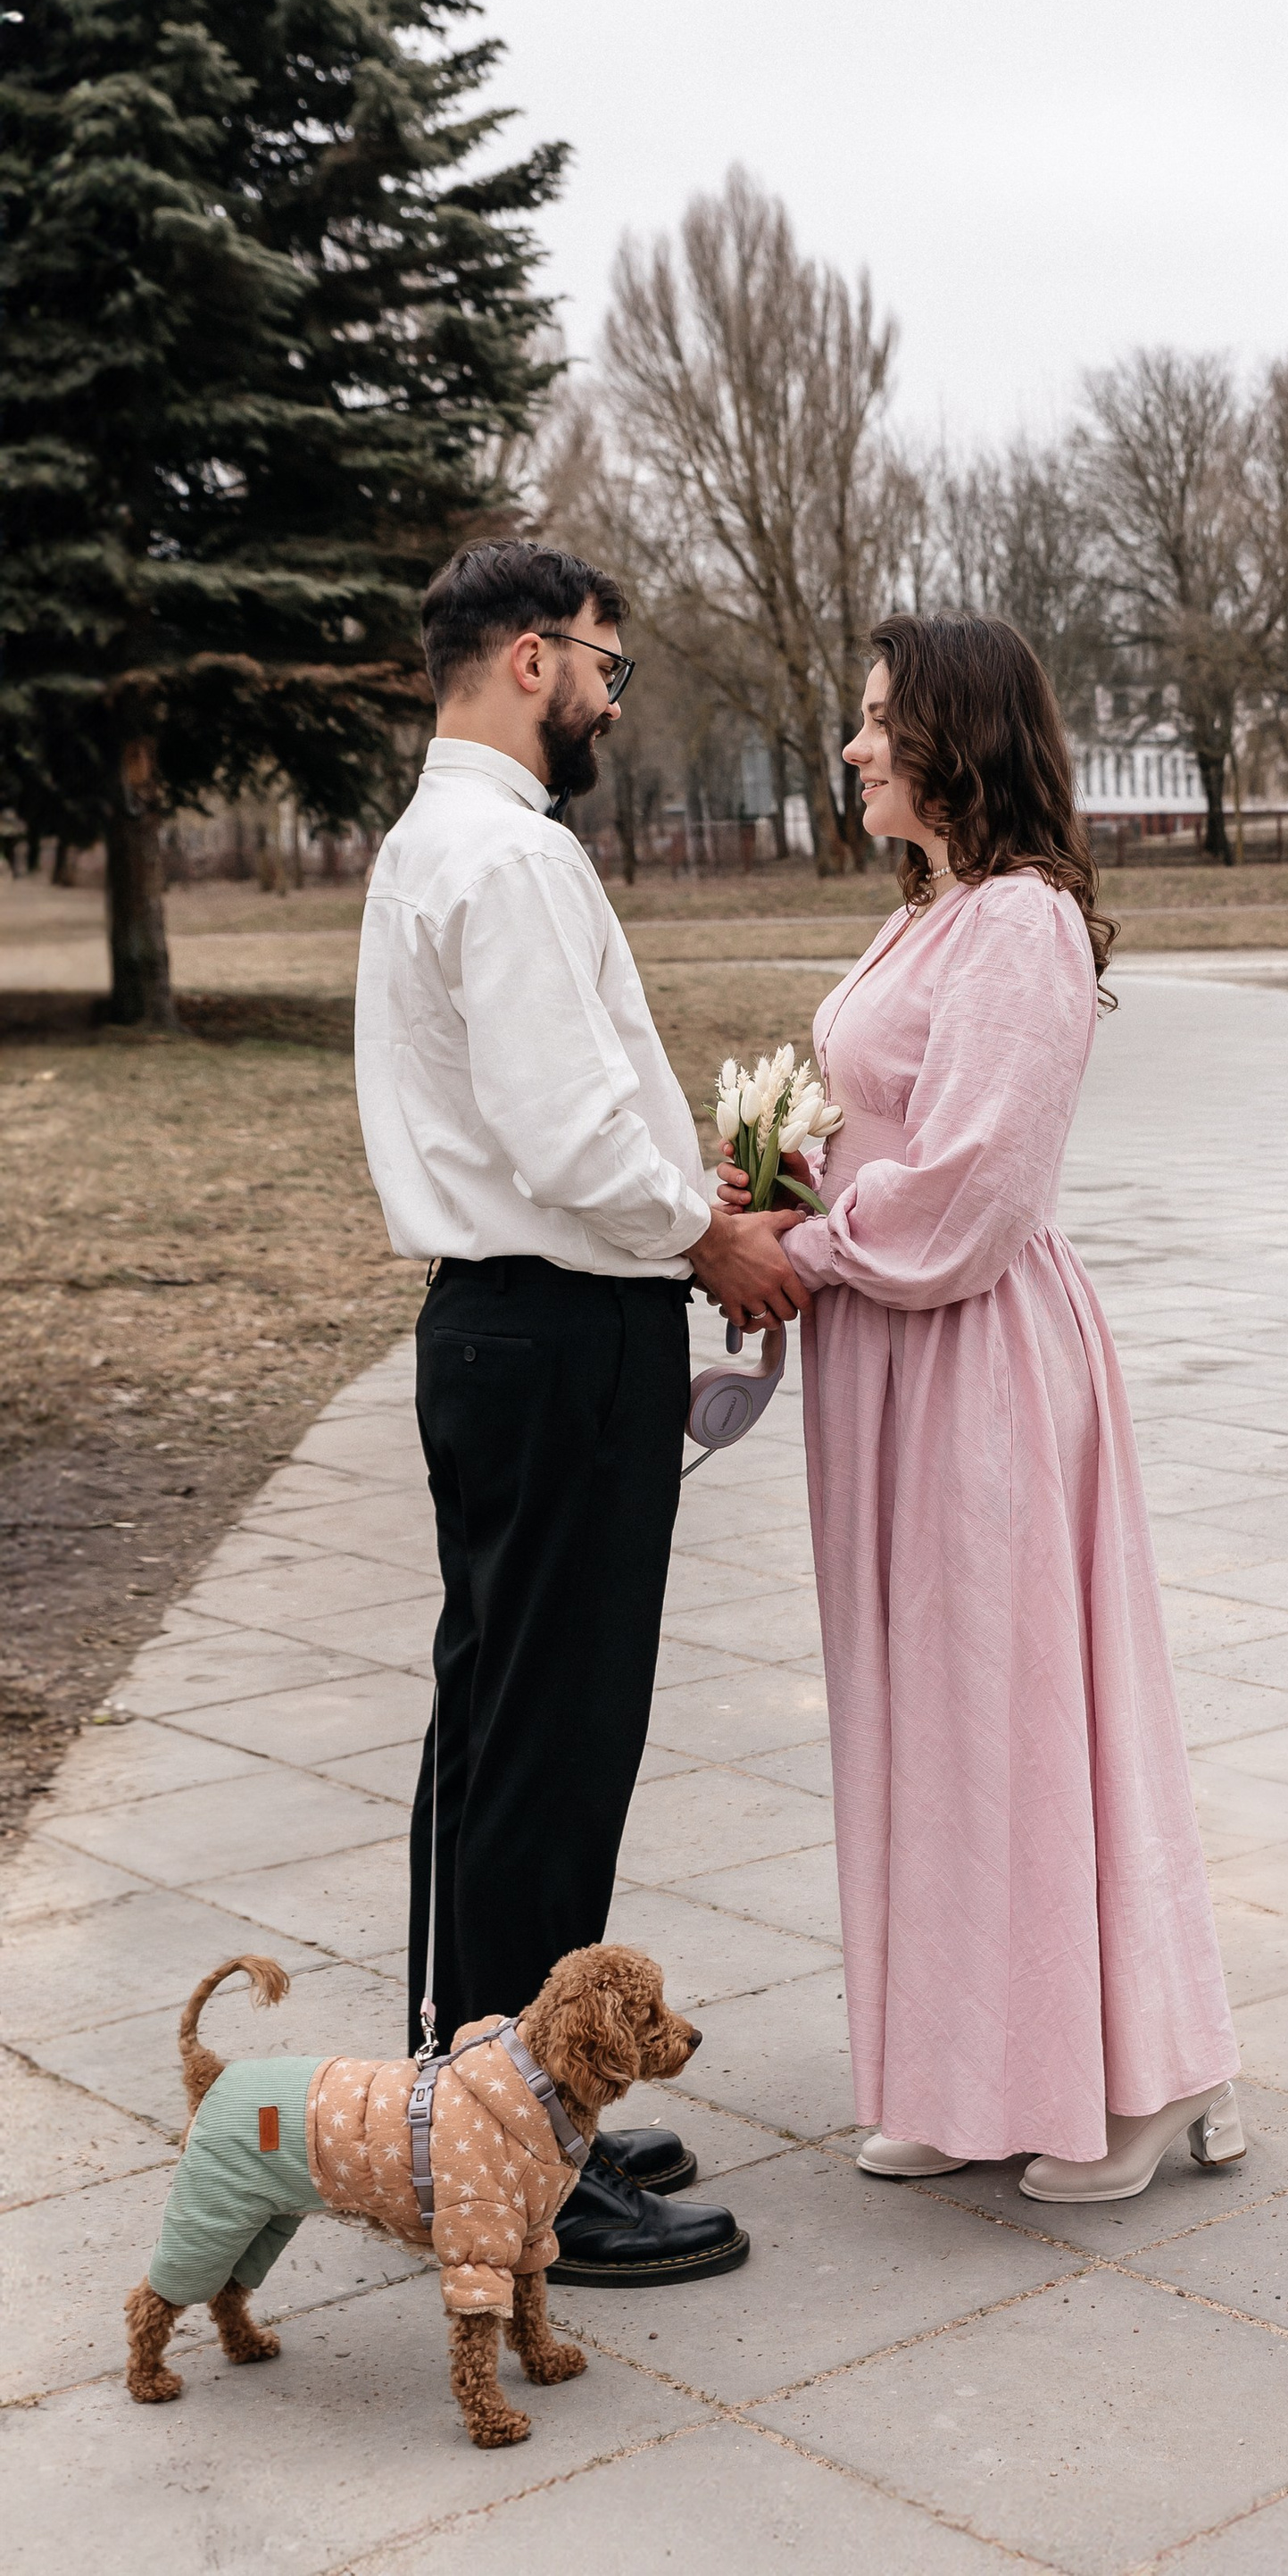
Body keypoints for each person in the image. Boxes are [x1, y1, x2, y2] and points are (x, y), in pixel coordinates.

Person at [716, 613, 1243, 2199]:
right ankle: (969, 2068)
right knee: (922, 1716)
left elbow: (969, 1194)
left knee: (1016, 1707)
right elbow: (882, 1131)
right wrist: (755, 1185)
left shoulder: (1022, 922)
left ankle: (1141, 2079)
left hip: (976, 1357)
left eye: (883, 722)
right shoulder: (926, 913)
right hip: (887, 1360)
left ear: (959, 740)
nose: (858, 747)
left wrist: (799, 1237)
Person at [354, 539, 801, 2287]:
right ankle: (525, 2161)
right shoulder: (508, 855)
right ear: (533, 660)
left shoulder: (429, 845)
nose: (616, 700)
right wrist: (718, 1236)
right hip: (558, 1336)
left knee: (498, 1734)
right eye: (608, 667)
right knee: (551, 1748)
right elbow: (566, 1137)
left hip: (501, 1329)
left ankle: (471, 2106)